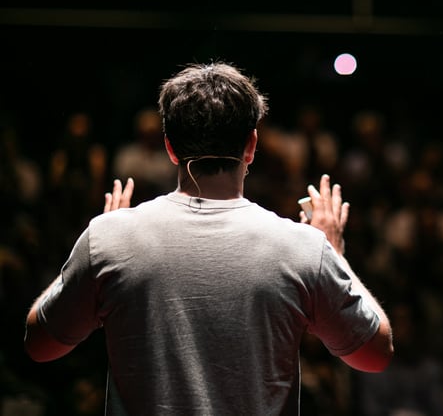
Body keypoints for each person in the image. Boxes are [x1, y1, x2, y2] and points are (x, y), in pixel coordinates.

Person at [23, 62, 394, 415]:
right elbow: (375, 354)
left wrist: (97, 247)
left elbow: (40, 345)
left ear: (170, 148)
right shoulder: (302, 247)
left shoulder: (109, 238)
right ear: (251, 145)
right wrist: (334, 250)